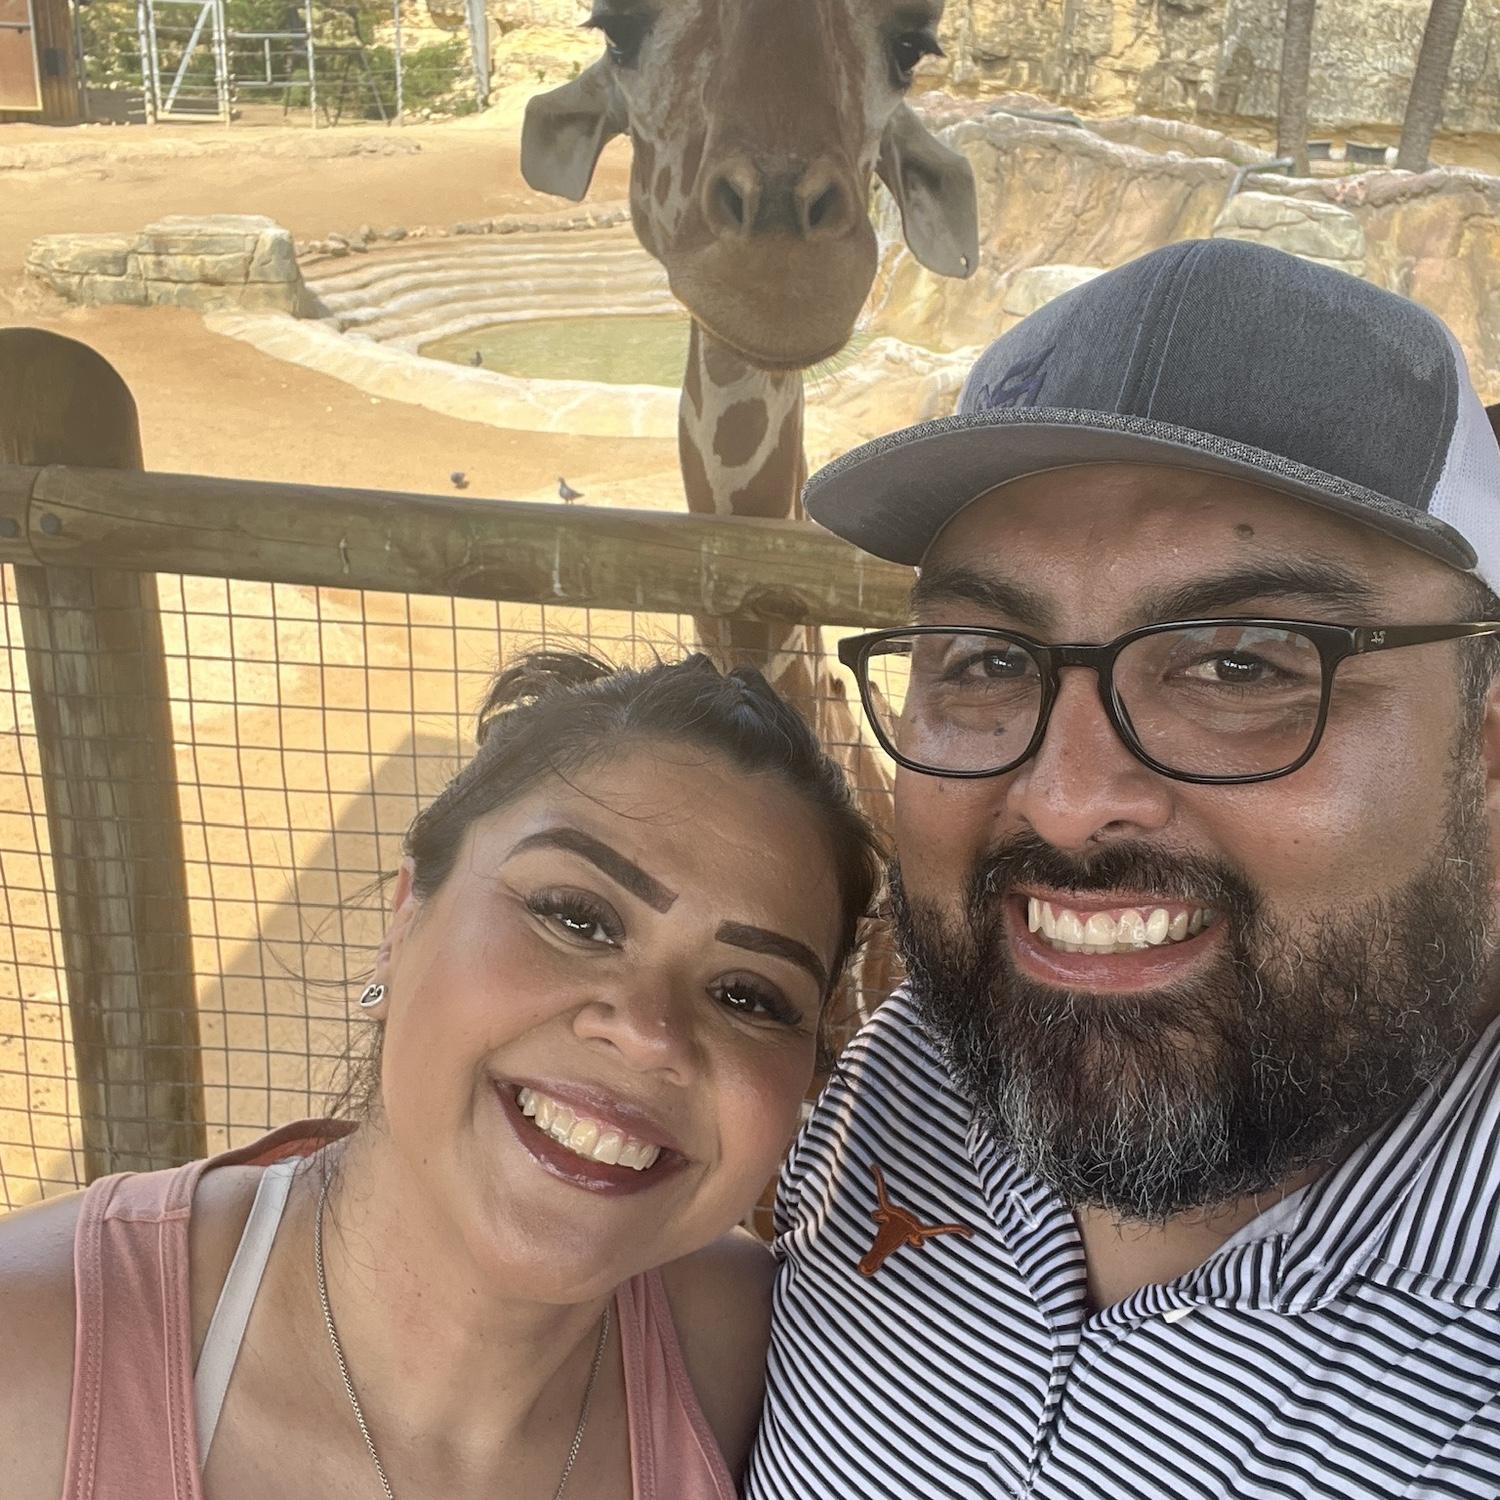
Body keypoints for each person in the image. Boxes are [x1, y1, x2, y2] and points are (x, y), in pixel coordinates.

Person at [746, 238, 1500, 1497]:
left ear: (1484, 753)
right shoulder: (921, 1065)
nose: (1067, 800)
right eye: (985, 661)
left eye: (1241, 666)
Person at [0, 650, 881, 1500]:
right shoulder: (33, 1356)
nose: (651, 1034)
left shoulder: (779, 1354)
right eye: (577, 917)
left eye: (748, 996)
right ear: (404, 920)